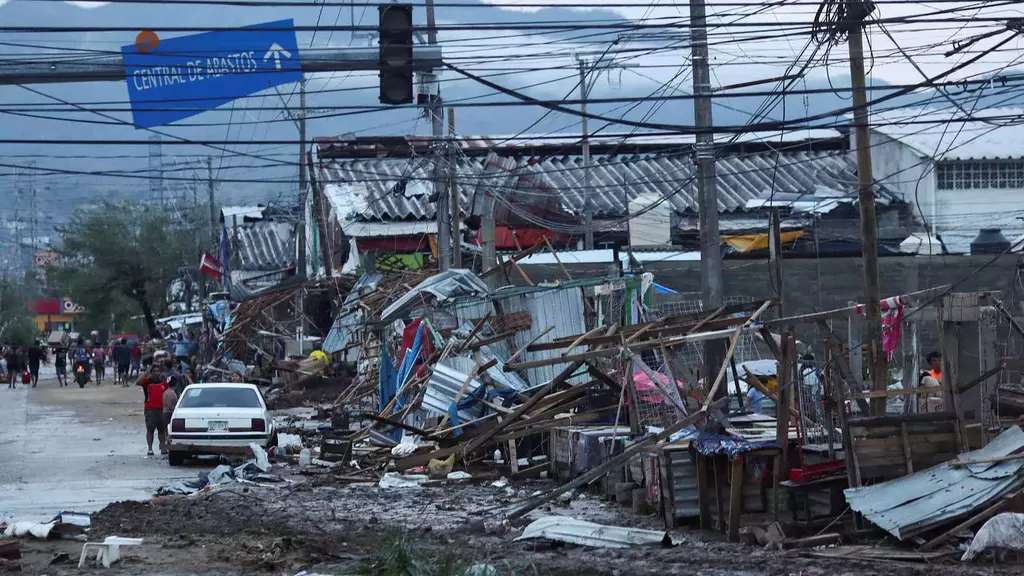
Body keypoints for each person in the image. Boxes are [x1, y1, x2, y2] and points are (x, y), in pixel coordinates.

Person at [137, 364, 169, 456]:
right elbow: (138, 382)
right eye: (154, 371)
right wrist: (146, 373)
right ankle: (150, 449)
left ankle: (163, 449)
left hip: (162, 409)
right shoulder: (147, 382)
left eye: (158, 371)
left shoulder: (164, 382)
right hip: (150, 410)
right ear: (151, 372)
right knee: (150, 430)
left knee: (162, 430)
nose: (156, 373)